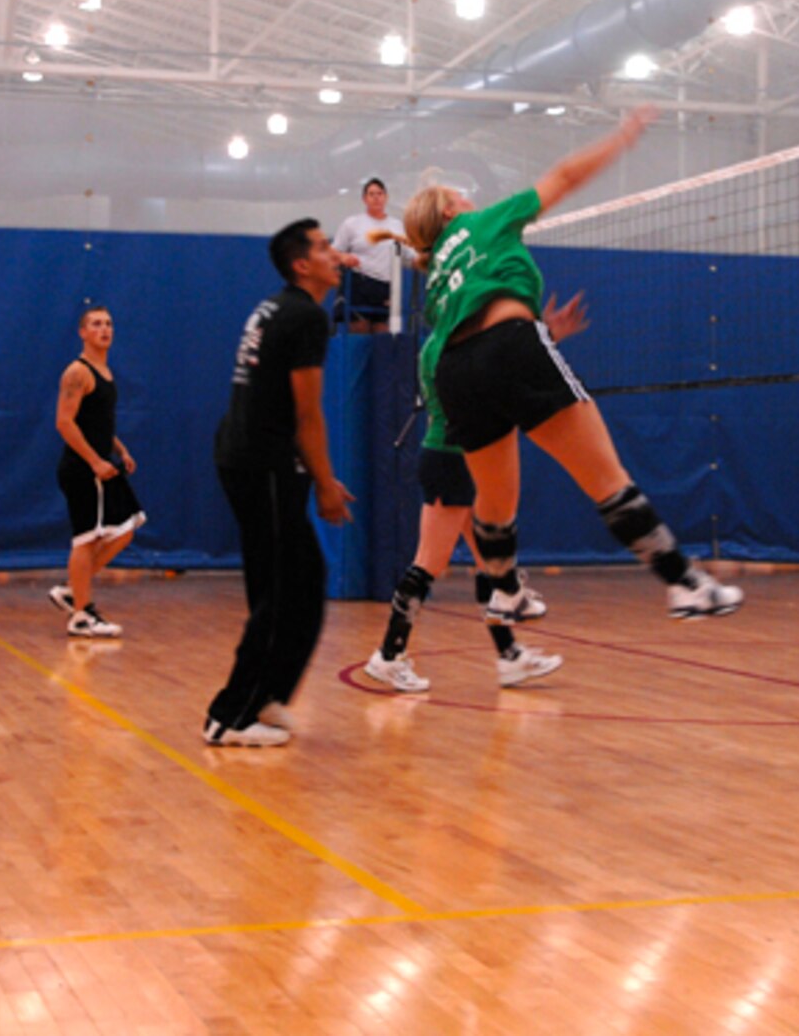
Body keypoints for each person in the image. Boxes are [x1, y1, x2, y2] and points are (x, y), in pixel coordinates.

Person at [398, 108, 743, 632]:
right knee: (606, 478)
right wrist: (622, 138)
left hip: (457, 374)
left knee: (495, 505)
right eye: (460, 196)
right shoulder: (481, 222)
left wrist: (539, 330)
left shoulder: (435, 277)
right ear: (450, 213)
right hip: (511, 347)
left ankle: (506, 592)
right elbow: (563, 176)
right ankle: (684, 583)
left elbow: (475, 333)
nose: (470, 199)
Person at [361, 293, 588, 695]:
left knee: (491, 566)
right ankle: (389, 655)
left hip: (457, 459)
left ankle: (510, 658)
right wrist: (546, 337)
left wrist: (545, 335)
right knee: (428, 563)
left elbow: (501, 366)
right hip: (452, 460)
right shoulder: (450, 346)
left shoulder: (445, 343)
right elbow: (503, 376)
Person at [205, 219, 354, 747]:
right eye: (323, 247)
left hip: (247, 457)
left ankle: (267, 696)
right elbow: (308, 414)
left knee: (304, 580)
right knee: (283, 591)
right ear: (301, 264)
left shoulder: (278, 307)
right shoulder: (305, 318)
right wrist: (327, 484)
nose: (334, 254)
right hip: (262, 462)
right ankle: (231, 714)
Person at [47, 306, 146, 638]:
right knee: (87, 538)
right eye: (96, 324)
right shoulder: (77, 372)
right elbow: (64, 422)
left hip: (101, 465)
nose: (104, 329)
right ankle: (81, 616)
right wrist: (94, 461)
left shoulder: (105, 371)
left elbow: (97, 423)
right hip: (82, 469)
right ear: (82, 332)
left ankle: (73, 590)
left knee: (125, 529)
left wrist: (119, 450)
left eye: (108, 324)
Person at [331, 177, 411, 333]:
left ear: (386, 197)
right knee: (360, 332)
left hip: (385, 287)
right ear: (364, 199)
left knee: (383, 336)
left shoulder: (397, 226)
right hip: (360, 283)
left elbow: (409, 255)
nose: (376, 198)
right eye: (371, 194)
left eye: (380, 193)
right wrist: (343, 258)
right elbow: (333, 251)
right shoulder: (352, 224)